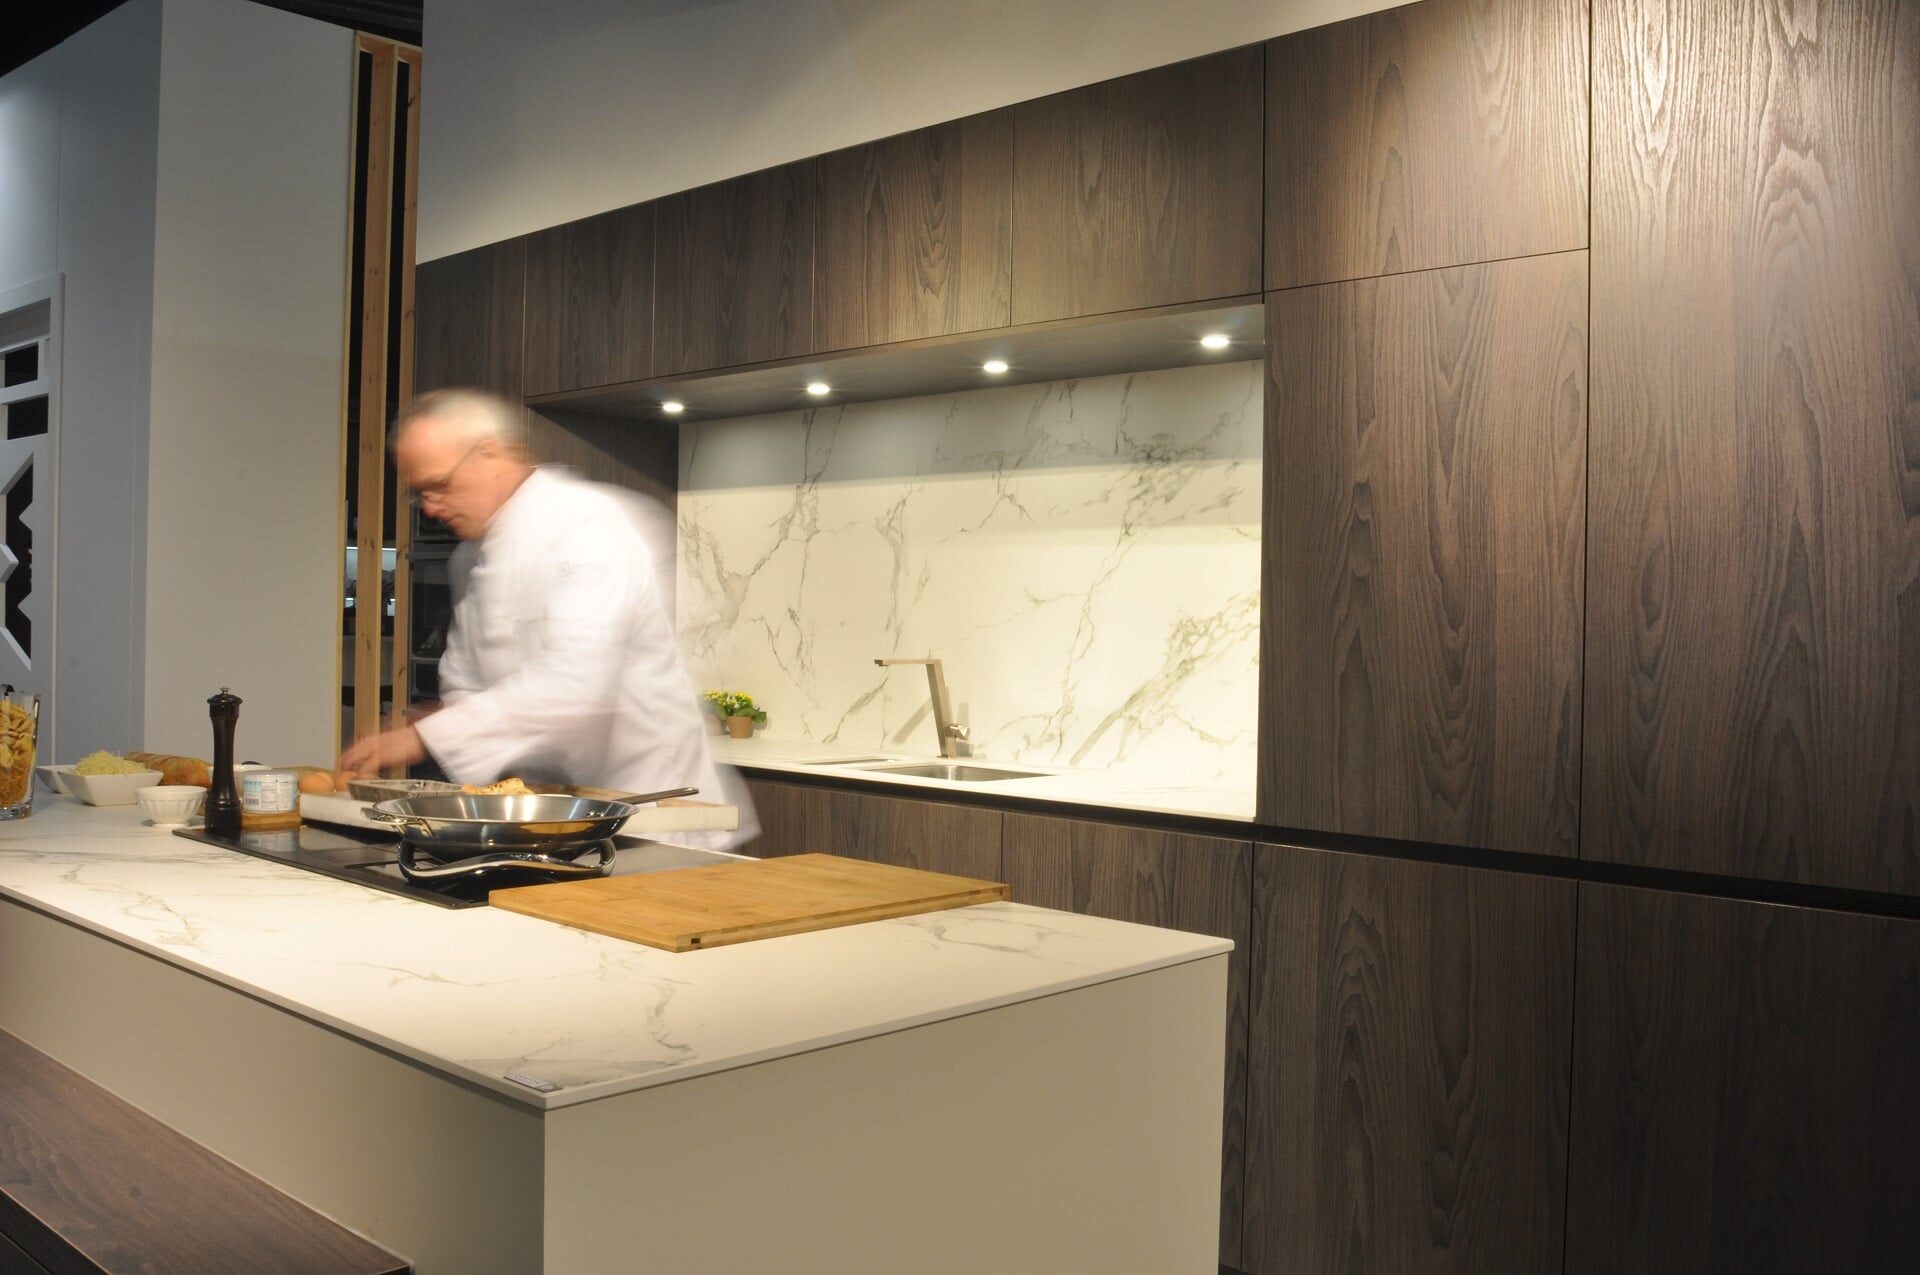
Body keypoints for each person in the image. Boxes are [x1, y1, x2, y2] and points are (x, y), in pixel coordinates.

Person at [340, 389, 753, 846]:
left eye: (440, 485)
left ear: (490, 454)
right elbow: (465, 683)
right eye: (421, 494)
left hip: (651, 814)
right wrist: (433, 723)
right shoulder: (470, 558)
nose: (432, 508)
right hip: (550, 814)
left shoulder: (589, 524)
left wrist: (429, 735)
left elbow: (577, 683)